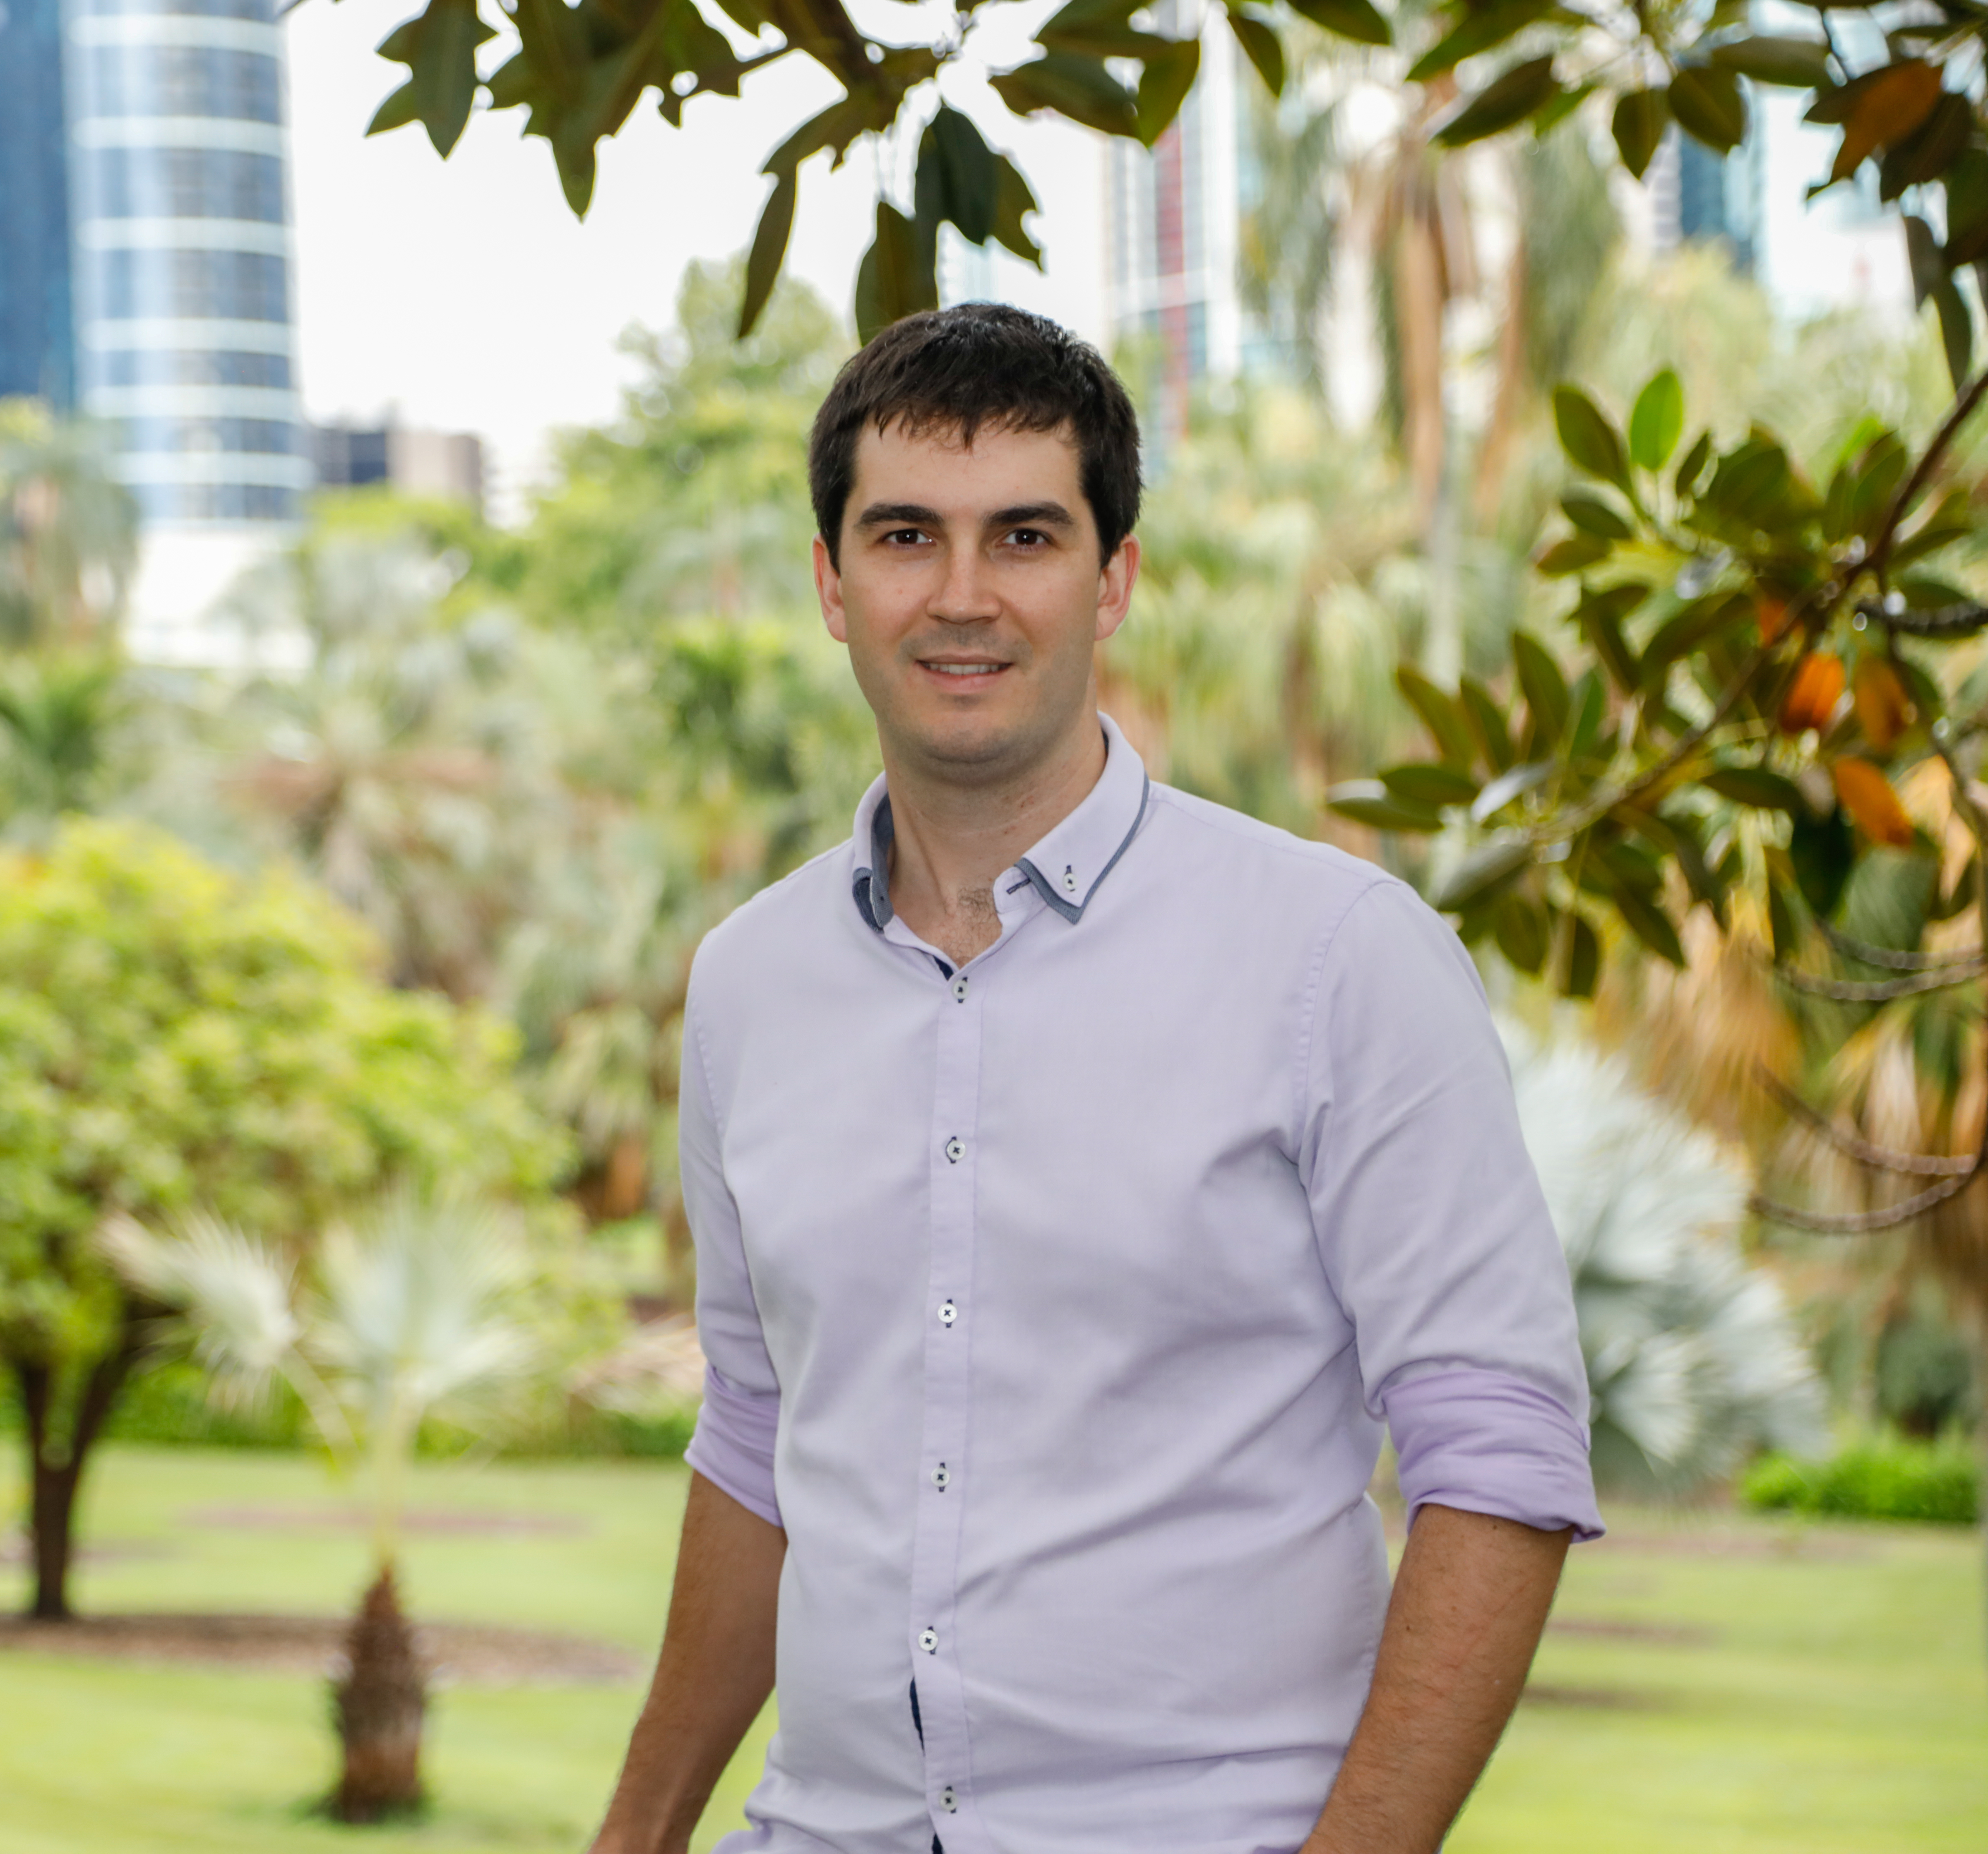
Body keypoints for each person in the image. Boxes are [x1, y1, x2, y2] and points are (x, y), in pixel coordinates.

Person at [587, 304, 1601, 1854]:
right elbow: (755, 1439)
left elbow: (1500, 1456)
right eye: (907, 534)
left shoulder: (1338, 957)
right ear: (831, 582)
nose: (964, 597)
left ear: (1114, 577)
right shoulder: (747, 982)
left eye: (1029, 537)